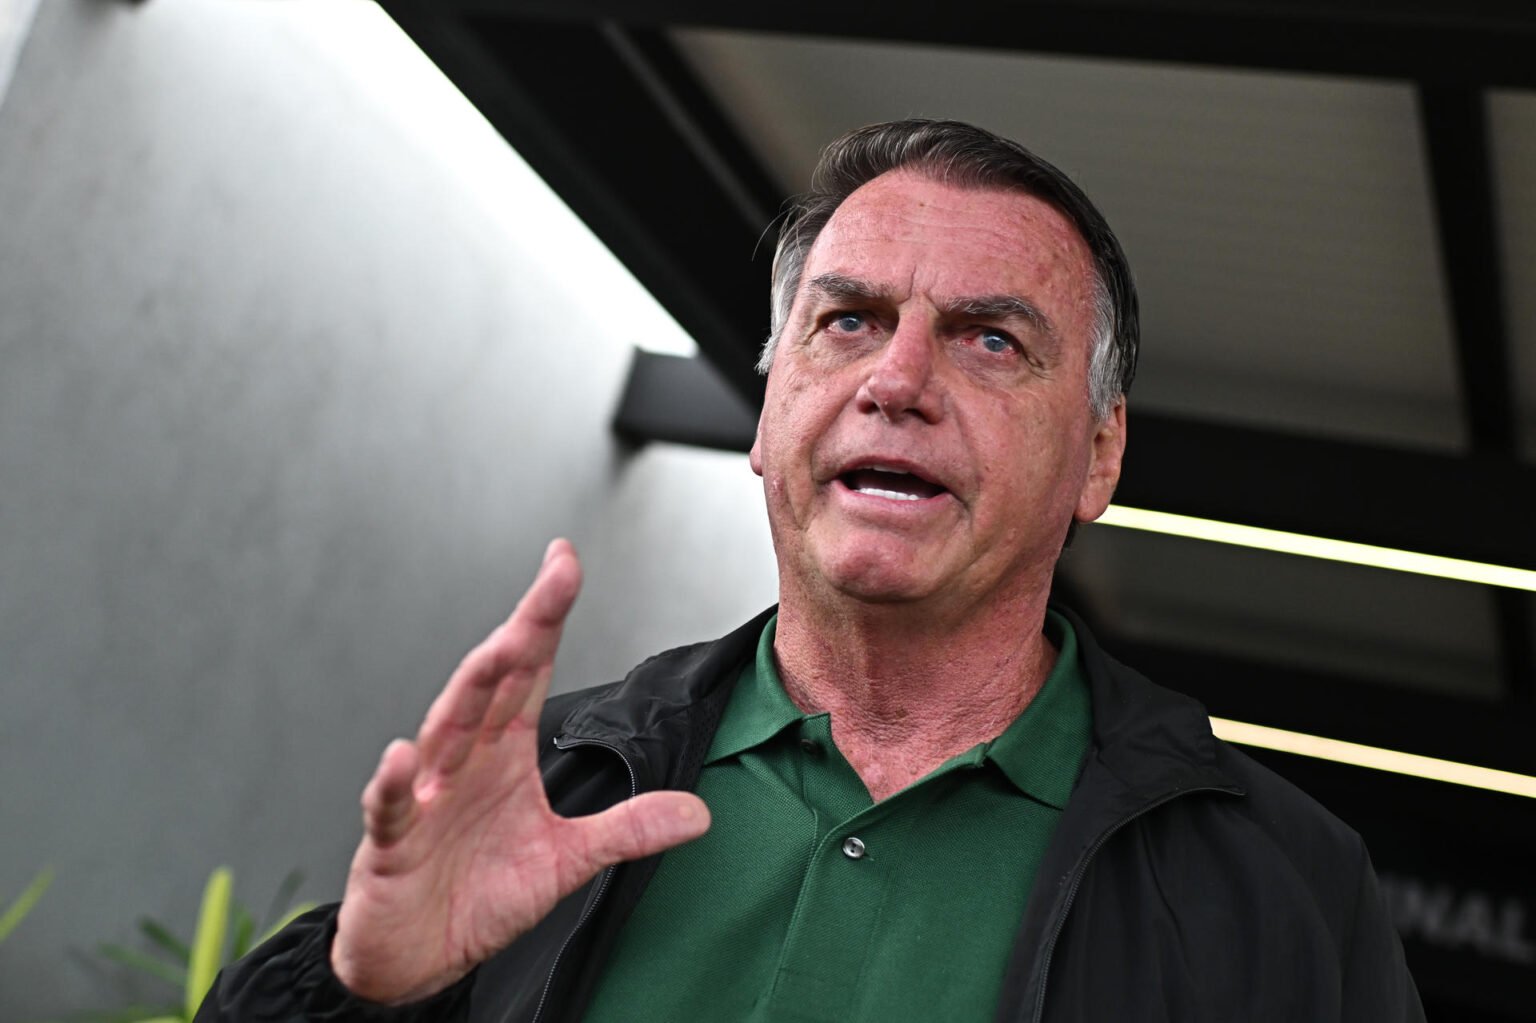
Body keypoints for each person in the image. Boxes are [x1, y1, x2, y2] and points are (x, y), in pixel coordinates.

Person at [199, 120, 1424, 1022]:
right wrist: (358, 992)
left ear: (1098, 454)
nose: (898, 381)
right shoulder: (556, 780)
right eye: (848, 322)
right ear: (769, 405)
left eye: (990, 341)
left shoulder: (1284, 891)